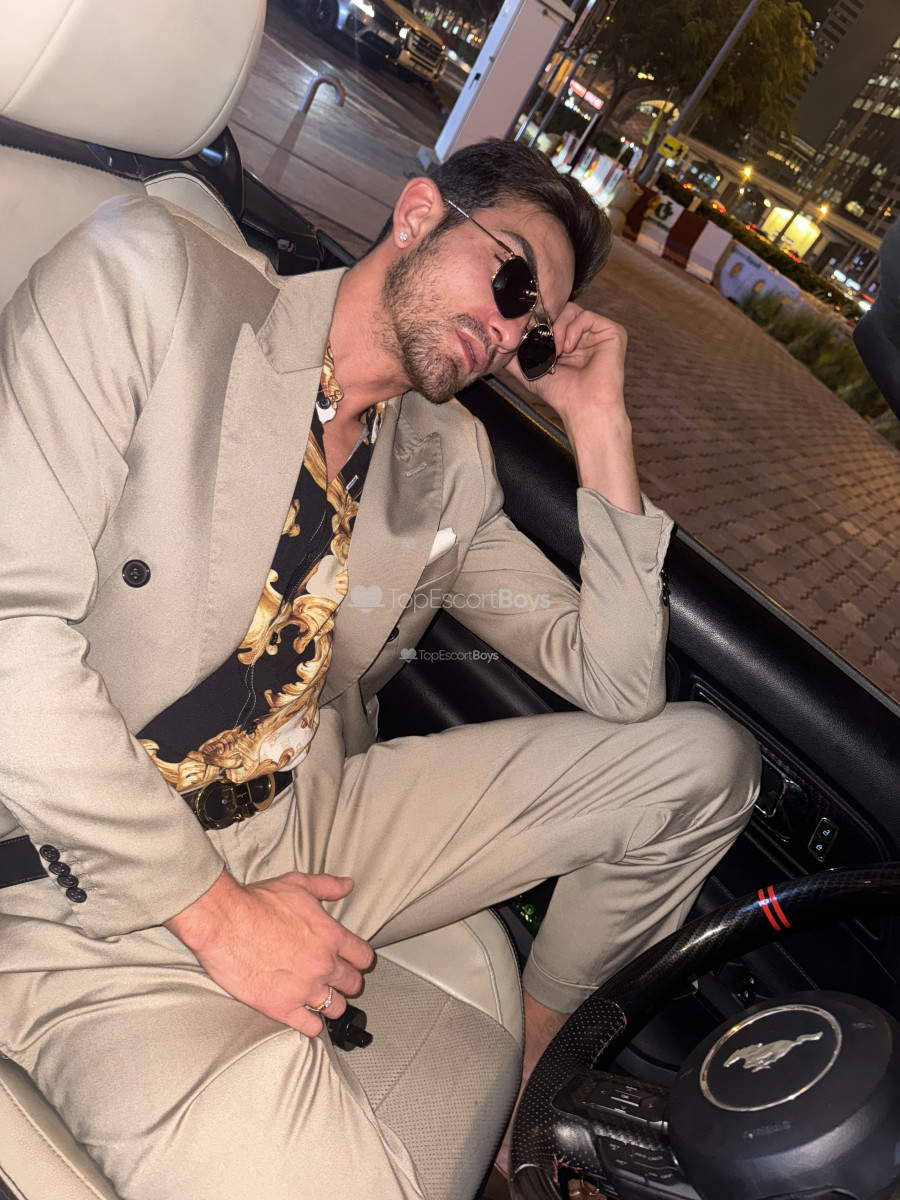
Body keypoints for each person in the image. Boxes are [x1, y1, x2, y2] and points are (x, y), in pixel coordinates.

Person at [0, 137, 760, 1200]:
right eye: (511, 283)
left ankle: (534, 1083)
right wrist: (219, 915)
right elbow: (10, 636)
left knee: (702, 763)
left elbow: (621, 685)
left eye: (534, 328)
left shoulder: (443, 463)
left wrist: (599, 422)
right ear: (416, 214)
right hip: (69, 860)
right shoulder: (152, 280)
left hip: (304, 813)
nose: (510, 332)